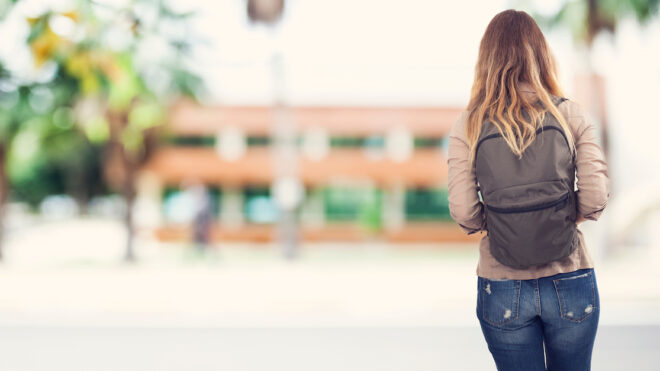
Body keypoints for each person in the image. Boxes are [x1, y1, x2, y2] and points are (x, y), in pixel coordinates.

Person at [447, 10, 610, 371]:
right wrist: (564, 213)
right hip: (571, 276)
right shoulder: (571, 115)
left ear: (486, 59)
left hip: (502, 284)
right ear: (541, 54)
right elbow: (597, 196)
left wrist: (500, 219)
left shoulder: (469, 124)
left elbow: (462, 210)